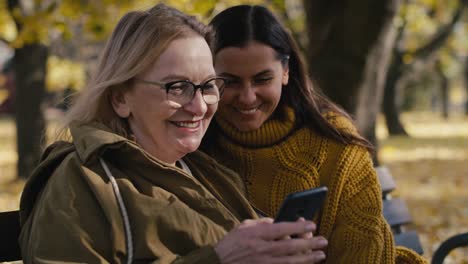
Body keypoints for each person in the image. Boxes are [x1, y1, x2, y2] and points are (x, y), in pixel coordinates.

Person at [18, 4, 328, 264]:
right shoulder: (82, 184)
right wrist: (221, 258)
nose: (198, 107)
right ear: (120, 98)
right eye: (176, 87)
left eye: (208, 86)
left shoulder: (205, 170)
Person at [200, 5, 427, 263]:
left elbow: (362, 251)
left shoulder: (335, 145)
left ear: (285, 72)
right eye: (229, 82)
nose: (247, 97)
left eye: (262, 79)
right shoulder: (189, 145)